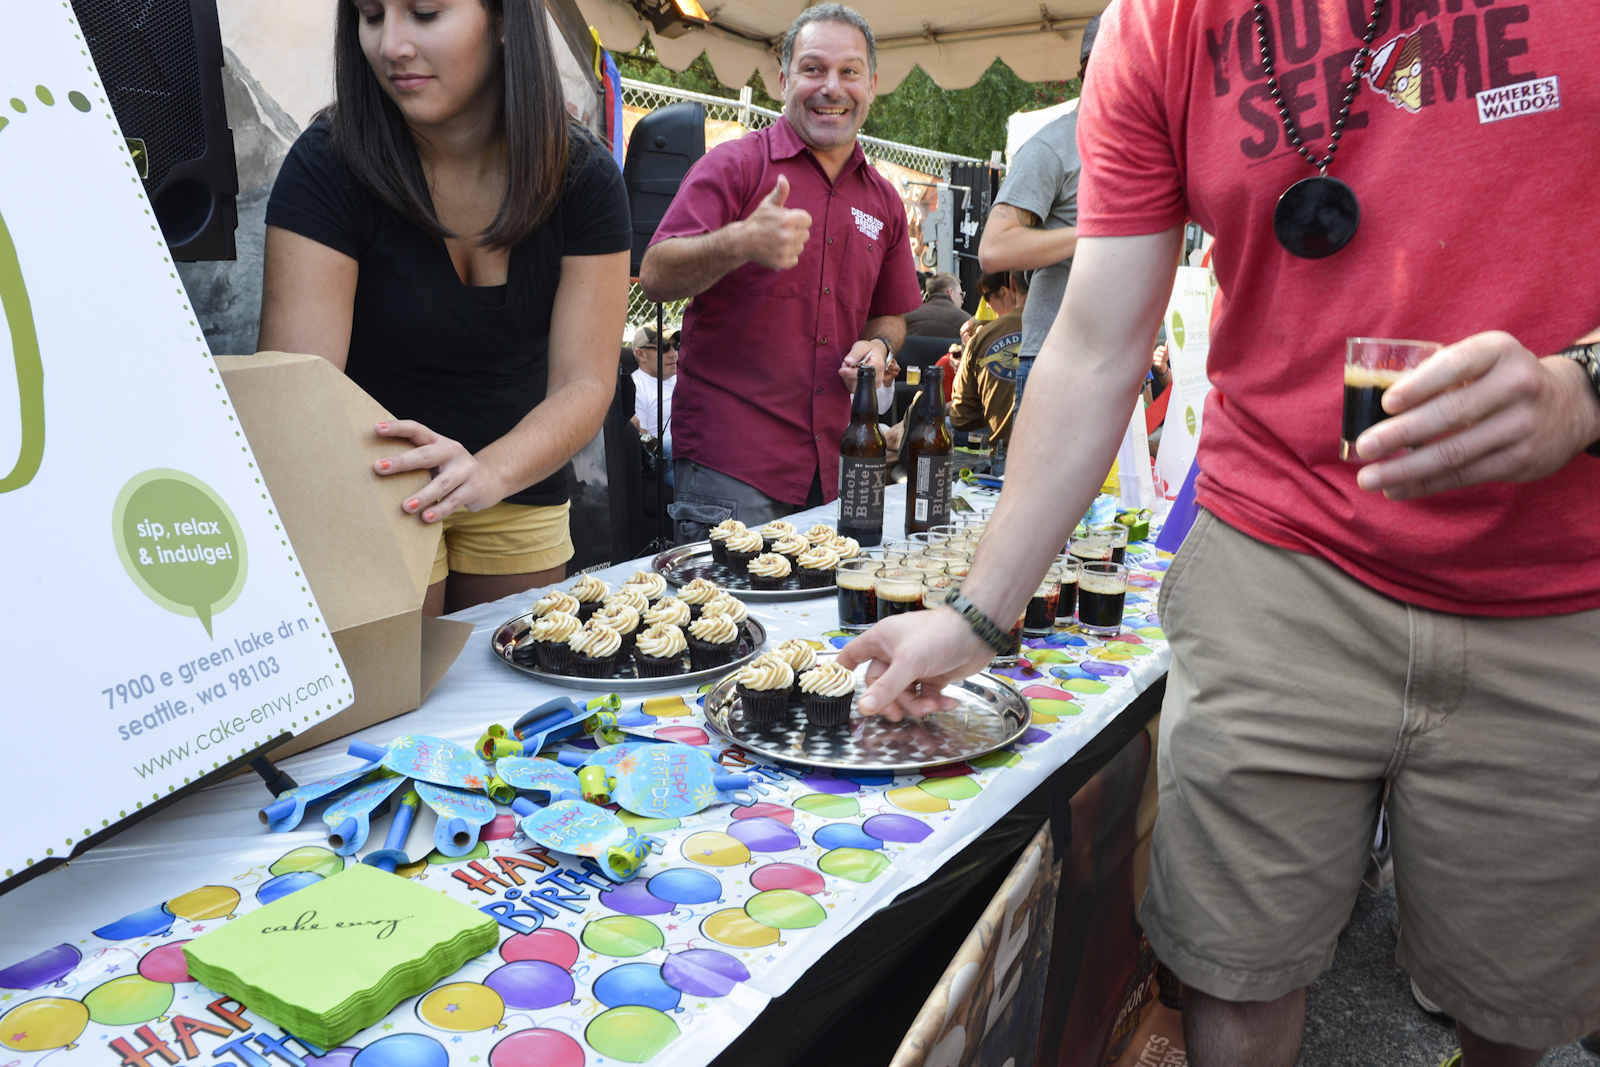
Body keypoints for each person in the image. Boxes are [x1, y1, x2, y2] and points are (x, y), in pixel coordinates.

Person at [840, 4, 1600, 1067]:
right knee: (1231, 970)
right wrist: (977, 608)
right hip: (1278, 561)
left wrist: (1584, 389)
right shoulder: (1160, 25)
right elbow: (1098, 340)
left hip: (1560, 587)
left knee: (1512, 1012)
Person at [258, 0, 629, 616]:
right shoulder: (328, 163)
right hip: (370, 487)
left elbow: (584, 382)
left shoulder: (585, 178)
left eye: (425, 13)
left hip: (519, 476)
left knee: (515, 695)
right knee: (398, 701)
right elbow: (298, 393)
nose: (390, 45)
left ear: (507, 19)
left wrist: (488, 474)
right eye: (371, 16)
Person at [637, 3, 922, 542]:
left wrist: (880, 348)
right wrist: (739, 241)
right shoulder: (736, 166)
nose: (831, 87)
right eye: (813, 69)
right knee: (726, 625)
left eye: (849, 72)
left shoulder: (884, 199)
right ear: (783, 79)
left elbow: (891, 315)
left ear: (872, 84)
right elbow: (656, 273)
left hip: (839, 465)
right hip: (732, 466)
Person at [976, 14, 1095, 410]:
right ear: (1093, 69)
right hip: (1057, 362)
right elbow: (994, 248)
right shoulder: (1055, 145)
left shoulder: (1144, 147)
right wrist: (1097, 233)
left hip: (1116, 361)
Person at [949, 270, 1026, 448]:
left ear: (1010, 287)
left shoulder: (982, 338)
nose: (988, 305)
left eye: (987, 297)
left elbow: (961, 418)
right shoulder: (1069, 332)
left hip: (1005, 453)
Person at [630, 325, 677, 487]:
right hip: (670, 461)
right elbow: (642, 438)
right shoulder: (636, 386)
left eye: (675, 346)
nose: (673, 353)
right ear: (641, 354)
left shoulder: (682, 377)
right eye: (664, 348)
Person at [904, 272, 972, 339]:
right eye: (961, 294)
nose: (962, 301)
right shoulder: (966, 322)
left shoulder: (907, 317)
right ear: (950, 292)